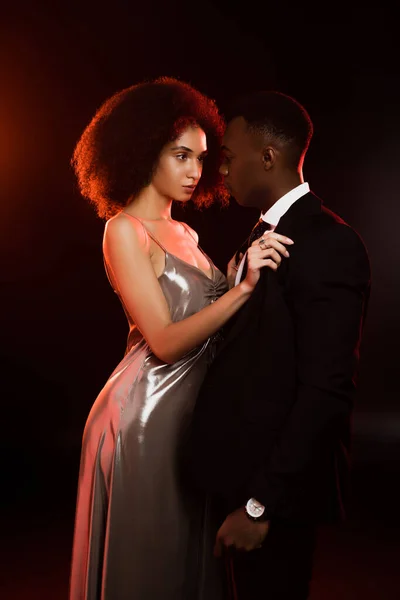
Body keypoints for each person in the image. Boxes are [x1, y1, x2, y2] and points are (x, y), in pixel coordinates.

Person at [68, 77, 292, 600]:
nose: (197, 171)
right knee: (151, 564)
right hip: (142, 417)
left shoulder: (185, 234)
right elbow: (166, 343)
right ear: (146, 151)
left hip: (190, 415)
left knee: (185, 562)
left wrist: (238, 277)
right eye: (181, 155)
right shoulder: (123, 229)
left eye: (202, 158)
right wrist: (243, 290)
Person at [186, 90, 371, 599]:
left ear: (268, 157)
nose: (220, 172)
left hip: (273, 498)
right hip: (239, 481)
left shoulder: (328, 242)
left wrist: (258, 506)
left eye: (227, 158)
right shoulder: (261, 234)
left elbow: (327, 390)